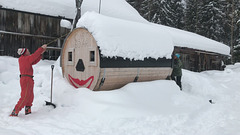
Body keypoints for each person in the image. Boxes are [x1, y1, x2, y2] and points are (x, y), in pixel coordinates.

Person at [10, 45, 47, 116]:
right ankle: (15, 110)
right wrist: (41, 48)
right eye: (28, 51)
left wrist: (41, 53)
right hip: (26, 79)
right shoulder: (24, 59)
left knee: (30, 95)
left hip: (28, 79)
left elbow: (34, 61)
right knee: (25, 96)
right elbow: (34, 56)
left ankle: (28, 109)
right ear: (25, 53)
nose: (29, 52)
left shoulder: (25, 59)